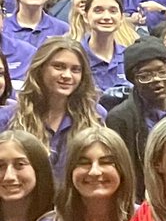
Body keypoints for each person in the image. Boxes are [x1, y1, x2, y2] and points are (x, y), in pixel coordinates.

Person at [0, 37, 104, 181]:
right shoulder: (8, 118)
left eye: (75, 70)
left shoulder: (96, 115)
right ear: (40, 69)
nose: (67, 75)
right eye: (59, 66)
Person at [105, 38, 166, 198]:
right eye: (145, 76)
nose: (156, 80)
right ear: (133, 79)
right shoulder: (120, 119)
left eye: (163, 72)